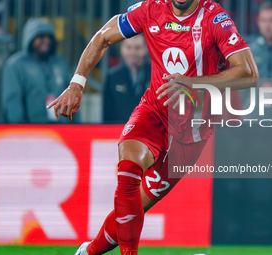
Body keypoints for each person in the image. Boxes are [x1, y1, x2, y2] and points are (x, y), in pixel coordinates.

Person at [47, 0, 258, 254]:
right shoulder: (149, 9)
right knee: (128, 169)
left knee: (135, 207)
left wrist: (193, 83)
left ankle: (89, 252)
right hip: (154, 111)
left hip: (191, 133)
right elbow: (103, 37)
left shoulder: (215, 19)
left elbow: (249, 74)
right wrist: (77, 83)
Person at [1, 18, 78, 123]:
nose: (46, 40)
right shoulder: (16, 65)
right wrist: (19, 129)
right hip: (31, 132)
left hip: (62, 131)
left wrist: (75, 126)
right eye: (40, 36)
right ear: (30, 38)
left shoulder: (60, 63)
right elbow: (12, 101)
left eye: (49, 37)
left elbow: (73, 96)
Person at [103, 34, 151, 123]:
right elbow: (107, 114)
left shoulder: (155, 75)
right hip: (118, 132)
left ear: (146, 49)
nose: (133, 52)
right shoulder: (112, 77)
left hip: (149, 131)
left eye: (137, 48)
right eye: (128, 48)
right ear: (121, 48)